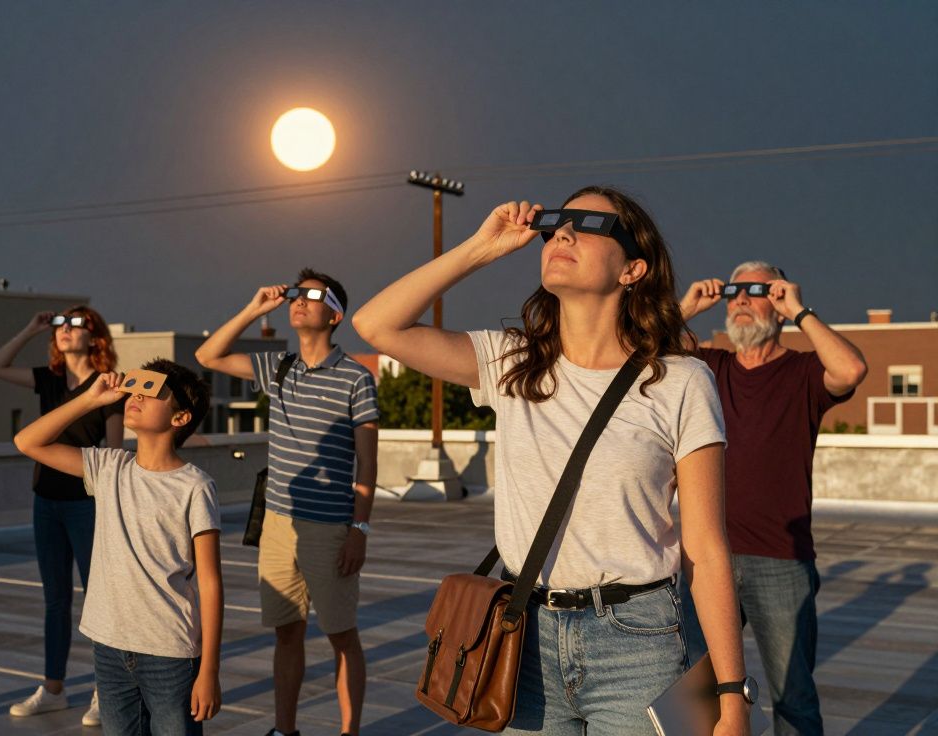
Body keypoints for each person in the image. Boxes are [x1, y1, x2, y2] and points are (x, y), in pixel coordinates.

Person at [352, 187, 752, 735]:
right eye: (557, 225)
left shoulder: (680, 381)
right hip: (523, 635)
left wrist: (731, 694)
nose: (562, 234)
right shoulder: (512, 362)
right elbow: (377, 327)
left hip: (639, 639)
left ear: (633, 268)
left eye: (588, 225)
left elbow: (705, 548)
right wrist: (480, 248)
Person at [680, 264, 867, 734]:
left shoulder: (803, 372)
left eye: (757, 291)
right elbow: (645, 351)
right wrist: (687, 307)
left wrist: (800, 309)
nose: (741, 300)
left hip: (781, 562)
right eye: (735, 292)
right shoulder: (710, 366)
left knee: (794, 698)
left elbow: (851, 369)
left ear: (778, 304)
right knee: (696, 690)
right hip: (706, 558)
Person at [196, 268, 378, 736]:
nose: (299, 300)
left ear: (335, 315)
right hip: (278, 524)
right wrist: (255, 309)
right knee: (286, 632)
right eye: (296, 294)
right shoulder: (278, 368)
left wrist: (359, 530)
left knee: (341, 636)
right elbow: (207, 355)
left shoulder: (356, 378)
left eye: (313, 296)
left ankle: (349, 731)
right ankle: (284, 730)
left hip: (330, 528)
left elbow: (368, 464)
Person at [13, 359, 222, 736]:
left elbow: (210, 582)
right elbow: (28, 441)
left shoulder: (195, 486)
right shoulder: (109, 467)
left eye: (150, 392)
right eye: (134, 388)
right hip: (109, 647)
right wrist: (90, 400)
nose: (135, 396)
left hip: (170, 653)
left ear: (180, 418)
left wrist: (209, 670)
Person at [0, 306, 123, 725]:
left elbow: (115, 454)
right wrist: (31, 327)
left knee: (99, 600)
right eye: (61, 326)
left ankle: (107, 690)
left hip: (87, 503)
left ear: (96, 337)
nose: (65, 331)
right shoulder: (48, 379)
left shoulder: (108, 386)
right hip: (46, 501)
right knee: (56, 600)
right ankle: (53, 689)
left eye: (76, 325)